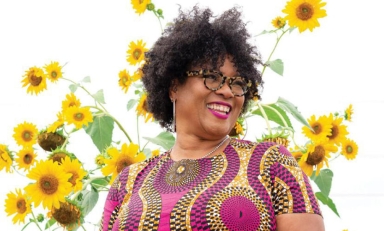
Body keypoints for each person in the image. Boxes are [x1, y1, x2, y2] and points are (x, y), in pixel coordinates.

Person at [100, 5, 325, 231]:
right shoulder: (128, 181)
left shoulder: (271, 164)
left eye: (237, 83)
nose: (227, 92)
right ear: (173, 86)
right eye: (212, 77)